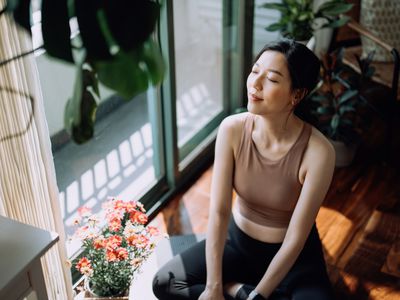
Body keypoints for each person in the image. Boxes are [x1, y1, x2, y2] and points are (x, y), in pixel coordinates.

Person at [152, 39, 336, 300]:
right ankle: (235, 289)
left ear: (296, 94)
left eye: (272, 79)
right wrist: (214, 286)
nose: (255, 84)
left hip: (293, 259)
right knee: (165, 282)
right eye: (254, 71)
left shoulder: (319, 152)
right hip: (237, 245)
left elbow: (296, 238)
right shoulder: (232, 129)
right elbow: (218, 211)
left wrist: (259, 296)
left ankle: (249, 291)